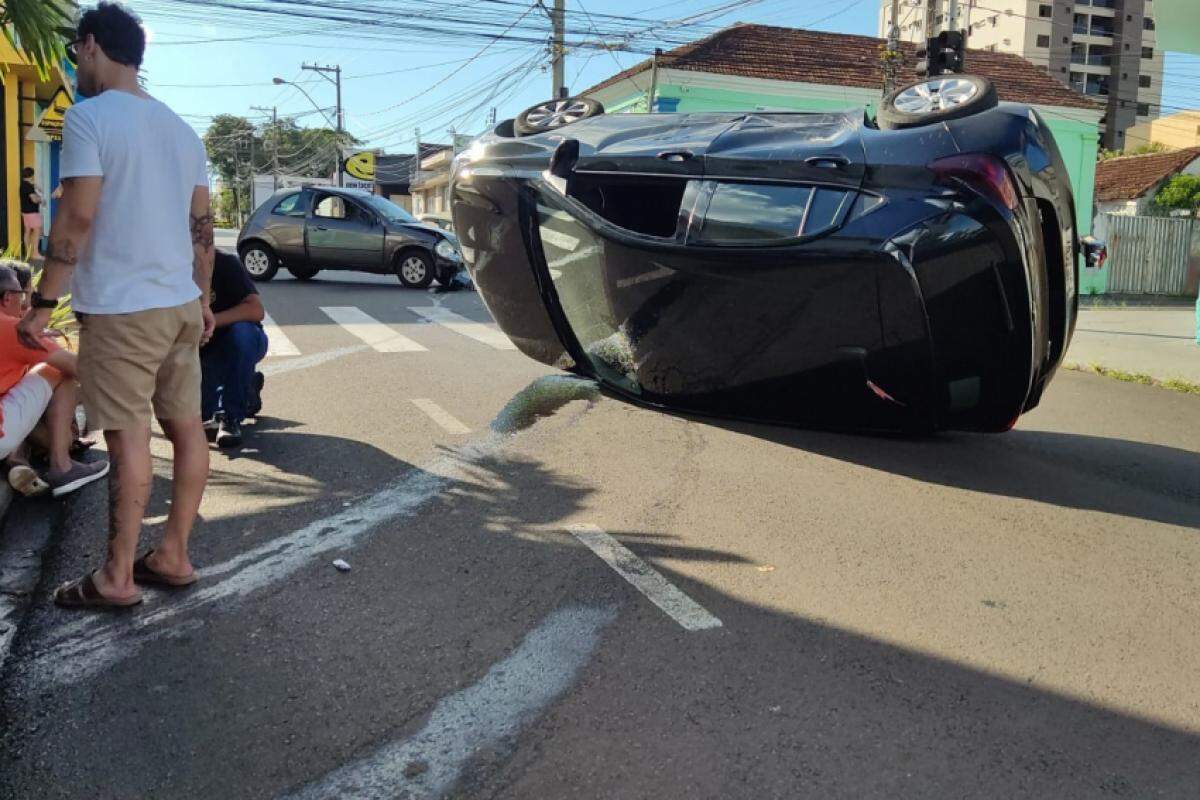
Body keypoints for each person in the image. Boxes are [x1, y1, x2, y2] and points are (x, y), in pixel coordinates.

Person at [17, 2, 215, 610]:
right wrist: (204, 300)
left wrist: (42, 303)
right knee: (186, 430)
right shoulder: (183, 131)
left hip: (123, 313)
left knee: (130, 440)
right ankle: (174, 554)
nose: (76, 64)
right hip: (180, 305)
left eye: (77, 53)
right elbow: (201, 227)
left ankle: (117, 578)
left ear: (92, 45)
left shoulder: (89, 118)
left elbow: (76, 217)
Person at [0, 262, 109, 497]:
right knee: (58, 372)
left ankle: (19, 459)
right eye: (23, 294)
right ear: (8, 297)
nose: (26, 303)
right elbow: (78, 368)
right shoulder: (12, 329)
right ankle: (62, 467)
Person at [202, 250, 268, 448]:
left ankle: (231, 418)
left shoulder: (224, 263)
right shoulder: (170, 267)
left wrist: (209, 323)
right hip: (198, 351)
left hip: (235, 342)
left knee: (242, 334)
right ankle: (247, 390)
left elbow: (256, 310)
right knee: (200, 419)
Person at [19, 168, 43, 262]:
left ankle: (28, 253)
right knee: (37, 231)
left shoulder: (23, 185)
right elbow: (34, 199)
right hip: (32, 212)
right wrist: (41, 199)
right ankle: (35, 254)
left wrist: (35, 185)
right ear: (31, 175)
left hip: (25, 212)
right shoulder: (28, 186)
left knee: (27, 231)